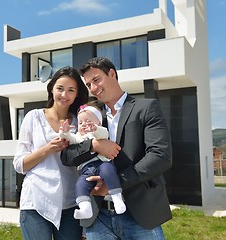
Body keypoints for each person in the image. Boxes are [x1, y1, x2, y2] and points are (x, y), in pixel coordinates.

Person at [61, 57, 172, 240]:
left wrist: (115, 184)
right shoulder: (91, 115)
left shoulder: (146, 108)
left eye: (96, 80)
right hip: (99, 217)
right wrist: (94, 145)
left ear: (112, 73)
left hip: (140, 214)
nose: (93, 88)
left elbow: (160, 156)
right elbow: (67, 156)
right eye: (89, 85)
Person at [13, 66, 89, 240]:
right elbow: (19, 164)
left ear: (77, 94)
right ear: (52, 88)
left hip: (70, 204)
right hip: (36, 203)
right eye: (60, 88)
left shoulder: (81, 121)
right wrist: (48, 149)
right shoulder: (34, 117)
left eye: (71, 90)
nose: (64, 95)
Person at [59, 101, 126, 219]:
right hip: (86, 169)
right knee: (80, 185)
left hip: (102, 163)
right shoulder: (79, 137)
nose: (84, 124)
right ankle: (85, 208)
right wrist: (64, 132)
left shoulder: (100, 133)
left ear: (99, 122)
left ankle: (117, 198)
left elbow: (103, 133)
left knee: (108, 171)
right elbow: (70, 139)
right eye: (80, 122)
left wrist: (95, 129)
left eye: (88, 121)